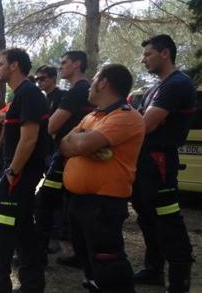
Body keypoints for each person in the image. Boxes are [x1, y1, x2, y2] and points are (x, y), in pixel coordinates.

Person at [61, 64, 144, 292]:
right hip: (79, 203)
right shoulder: (92, 116)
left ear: (104, 82)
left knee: (109, 264)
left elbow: (81, 143)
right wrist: (83, 142)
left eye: (95, 78)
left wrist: (83, 141)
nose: (90, 83)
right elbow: (64, 145)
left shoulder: (127, 117)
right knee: (89, 262)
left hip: (104, 205)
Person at [132, 34, 196, 292]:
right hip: (145, 160)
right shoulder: (155, 87)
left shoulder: (177, 84)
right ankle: (153, 269)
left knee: (167, 220)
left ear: (165, 53)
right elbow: (138, 118)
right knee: (146, 217)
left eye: (148, 54)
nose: (143, 59)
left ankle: (179, 280)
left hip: (160, 160)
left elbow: (146, 124)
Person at [0, 48, 48, 293]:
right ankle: (32, 285)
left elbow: (30, 139)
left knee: (0, 233)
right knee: (24, 230)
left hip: (18, 175)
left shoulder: (30, 94)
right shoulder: (21, 95)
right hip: (17, 173)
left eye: (0, 63)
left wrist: (12, 172)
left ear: (14, 66)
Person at [35, 51, 94, 268]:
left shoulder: (75, 92)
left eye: (64, 63)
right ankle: (80, 254)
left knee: (44, 201)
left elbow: (51, 126)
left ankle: (37, 254)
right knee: (73, 206)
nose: (61, 67)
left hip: (65, 155)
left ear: (77, 64)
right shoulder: (89, 91)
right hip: (79, 155)